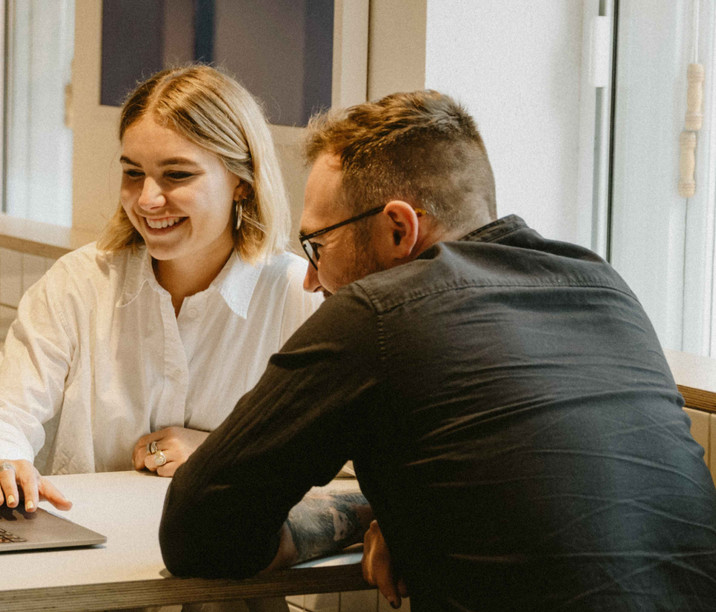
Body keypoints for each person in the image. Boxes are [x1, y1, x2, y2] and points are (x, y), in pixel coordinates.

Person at [159, 90, 716, 610]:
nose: (309, 278)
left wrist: (376, 518)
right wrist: (411, 516)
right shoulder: (604, 288)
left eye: (317, 245)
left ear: (399, 229)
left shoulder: (374, 314)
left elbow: (197, 531)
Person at [0, 65, 322, 514]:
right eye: (133, 173)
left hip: (231, 564)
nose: (147, 199)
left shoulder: (299, 294)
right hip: (88, 552)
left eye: (177, 175)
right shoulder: (81, 282)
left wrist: (222, 452)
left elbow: (344, 458)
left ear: (242, 181)